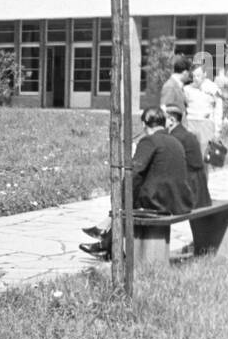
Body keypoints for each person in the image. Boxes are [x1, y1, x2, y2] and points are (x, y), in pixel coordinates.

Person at [80, 107, 195, 259]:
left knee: (130, 196)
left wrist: (119, 199)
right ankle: (105, 241)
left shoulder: (149, 141)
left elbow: (133, 173)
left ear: (144, 124)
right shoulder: (175, 141)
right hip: (179, 201)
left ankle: (106, 233)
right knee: (134, 195)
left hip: (160, 204)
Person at [165, 106, 211, 209]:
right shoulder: (186, 134)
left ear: (171, 120)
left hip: (190, 187)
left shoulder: (175, 138)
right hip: (199, 186)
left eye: (163, 119)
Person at [183, 60, 222, 158]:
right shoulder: (187, 89)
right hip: (190, 123)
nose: (196, 78)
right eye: (194, 76)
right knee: (190, 155)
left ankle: (204, 173)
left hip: (206, 124)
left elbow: (218, 109)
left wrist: (217, 129)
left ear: (205, 74)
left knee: (204, 156)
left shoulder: (213, 88)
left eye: (198, 75)